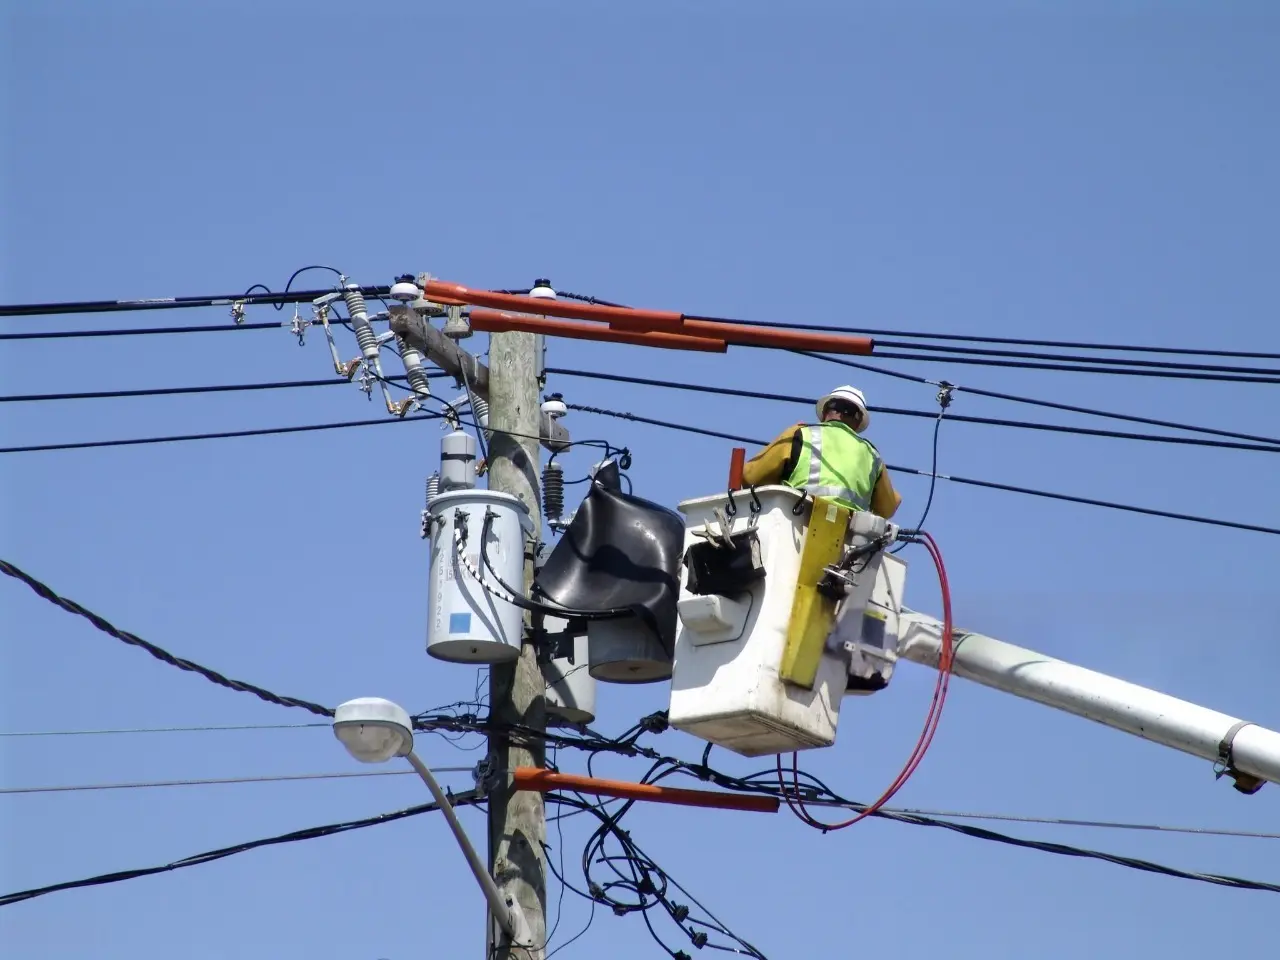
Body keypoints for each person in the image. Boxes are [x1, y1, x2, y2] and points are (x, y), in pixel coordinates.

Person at [741, 385, 901, 519]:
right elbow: (888, 508)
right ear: (858, 422)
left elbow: (751, 477)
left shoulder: (800, 433)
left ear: (825, 413)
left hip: (795, 525)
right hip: (849, 543)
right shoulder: (872, 455)